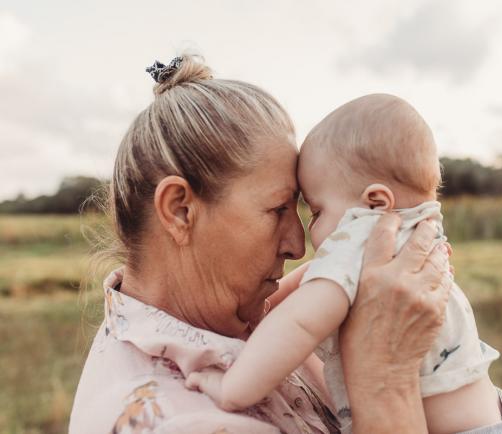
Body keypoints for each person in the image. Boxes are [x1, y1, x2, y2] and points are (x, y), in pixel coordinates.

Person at [69, 55, 454, 434]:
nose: (297, 246)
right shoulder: (175, 421)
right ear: (181, 210)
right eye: (277, 209)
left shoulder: (246, 322)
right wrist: (386, 378)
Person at [185, 94, 502, 434]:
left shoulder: (363, 232)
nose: (307, 236)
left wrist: (232, 388)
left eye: (316, 212)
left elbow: (297, 323)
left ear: (374, 203)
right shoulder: (414, 234)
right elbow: (305, 286)